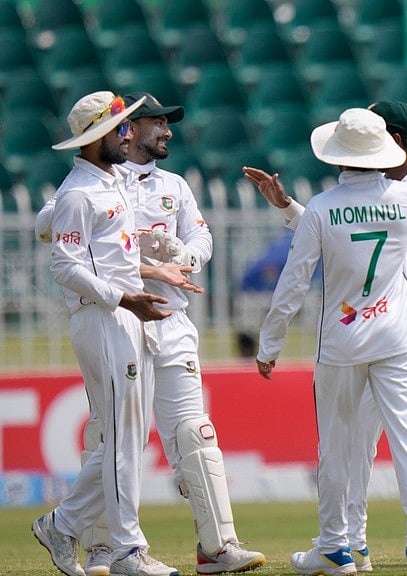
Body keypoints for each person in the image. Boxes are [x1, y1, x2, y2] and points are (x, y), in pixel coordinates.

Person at [244, 100, 407, 571]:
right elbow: (350, 228)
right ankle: (354, 540)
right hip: (391, 327)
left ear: (393, 140)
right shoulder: (403, 193)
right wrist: (290, 207)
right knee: (361, 440)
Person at [35, 92, 268, 576]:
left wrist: (175, 259)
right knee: (115, 436)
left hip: (166, 316)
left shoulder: (170, 185)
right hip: (116, 314)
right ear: (127, 129)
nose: (166, 131)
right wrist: (125, 286)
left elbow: (197, 239)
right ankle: (107, 548)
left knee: (189, 432)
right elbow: (57, 234)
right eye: (153, 123)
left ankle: (216, 546)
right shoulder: (91, 185)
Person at [30, 91, 179, 576]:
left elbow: (104, 253)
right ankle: (126, 552)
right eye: (121, 129)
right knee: (121, 438)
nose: (129, 134)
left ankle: (63, 524)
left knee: (127, 439)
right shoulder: (79, 192)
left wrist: (154, 270)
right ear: (98, 138)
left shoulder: (108, 180)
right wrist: (123, 298)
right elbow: (64, 265)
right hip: (102, 318)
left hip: (123, 314)